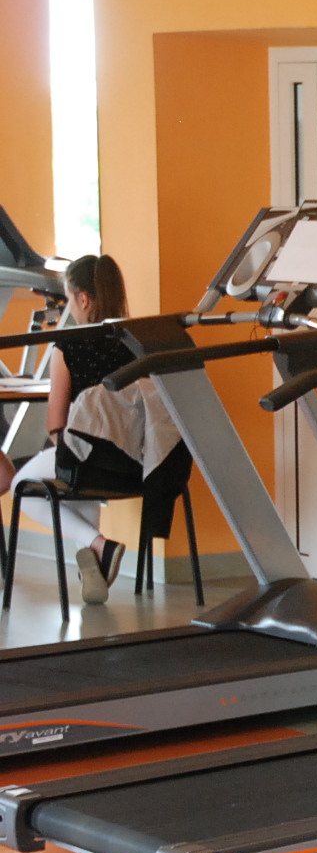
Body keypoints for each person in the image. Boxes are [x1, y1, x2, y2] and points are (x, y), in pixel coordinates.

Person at [0, 253, 180, 604]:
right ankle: (94, 565)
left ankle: (100, 545)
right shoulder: (139, 343)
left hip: (91, 461)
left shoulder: (68, 346)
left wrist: (65, 448)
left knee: (24, 483)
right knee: (79, 478)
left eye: (69, 299)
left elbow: (56, 424)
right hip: (144, 467)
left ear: (83, 299)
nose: (70, 307)